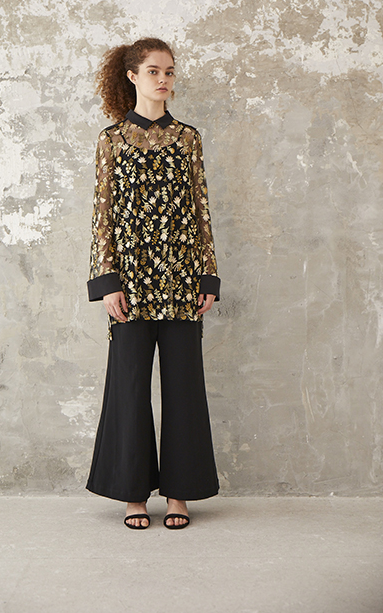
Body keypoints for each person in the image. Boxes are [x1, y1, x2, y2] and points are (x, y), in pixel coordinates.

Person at [86, 37, 220, 530]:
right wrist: (107, 282)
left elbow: (201, 210)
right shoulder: (112, 140)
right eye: (153, 71)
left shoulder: (188, 138)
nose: (163, 79)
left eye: (169, 71)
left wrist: (207, 275)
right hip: (130, 285)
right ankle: (132, 494)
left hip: (182, 281)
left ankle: (180, 493)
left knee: (184, 388)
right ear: (133, 76)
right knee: (128, 389)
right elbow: (102, 214)